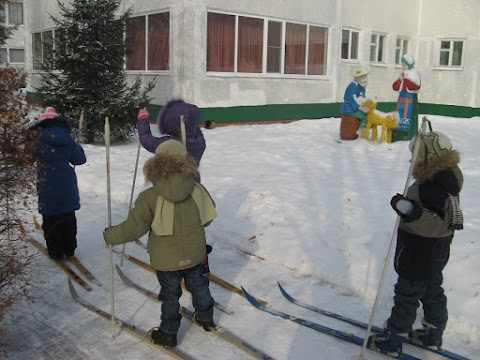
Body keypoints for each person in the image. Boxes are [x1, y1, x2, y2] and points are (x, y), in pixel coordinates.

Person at [103, 139, 218, 348]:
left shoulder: (150, 196)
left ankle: (168, 333)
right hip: (194, 253)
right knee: (199, 285)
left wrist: (111, 236)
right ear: (185, 161)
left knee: (170, 294)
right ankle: (206, 318)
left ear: (158, 163)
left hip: (166, 259)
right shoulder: (197, 190)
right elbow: (208, 217)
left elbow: (135, 227)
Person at [368, 131, 464, 356]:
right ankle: (432, 333)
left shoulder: (428, 189)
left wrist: (409, 211)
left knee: (407, 294)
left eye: (417, 158)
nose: (412, 161)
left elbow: (434, 224)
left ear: (429, 160)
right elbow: (447, 221)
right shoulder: (448, 181)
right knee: (432, 289)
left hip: (418, 252)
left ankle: (393, 338)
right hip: (438, 253)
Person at [30, 106, 87, 260]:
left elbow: (27, 159)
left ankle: (55, 251)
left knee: (50, 218)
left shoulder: (37, 139)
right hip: (67, 182)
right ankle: (69, 248)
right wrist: (77, 147)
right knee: (68, 215)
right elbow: (79, 159)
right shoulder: (68, 138)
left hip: (47, 181)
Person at [137, 99, 205, 183]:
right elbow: (194, 128)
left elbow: (147, 140)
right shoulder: (199, 142)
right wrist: (190, 119)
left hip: (170, 185)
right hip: (192, 184)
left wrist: (143, 120)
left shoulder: (171, 144)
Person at [391, 54, 421, 142]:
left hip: (410, 99)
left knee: (408, 117)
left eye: (405, 64)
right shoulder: (402, 73)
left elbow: (416, 86)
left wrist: (406, 79)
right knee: (399, 116)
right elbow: (395, 87)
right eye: (402, 64)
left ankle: (407, 135)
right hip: (401, 99)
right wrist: (400, 79)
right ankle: (397, 135)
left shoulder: (414, 73)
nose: (403, 66)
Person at [339, 67, 370, 140]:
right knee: (363, 115)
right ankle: (360, 130)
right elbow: (351, 98)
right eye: (362, 78)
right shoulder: (353, 85)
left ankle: (363, 129)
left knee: (369, 113)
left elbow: (362, 97)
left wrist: (365, 105)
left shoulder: (362, 86)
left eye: (365, 77)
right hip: (349, 108)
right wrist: (360, 107)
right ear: (358, 78)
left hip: (356, 106)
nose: (364, 79)